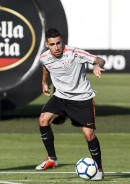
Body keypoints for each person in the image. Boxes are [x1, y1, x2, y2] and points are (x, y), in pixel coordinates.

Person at [35, 28, 105, 180]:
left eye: (59, 43)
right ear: (47, 45)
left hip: (82, 99)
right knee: (43, 120)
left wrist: (97, 66)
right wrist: (44, 82)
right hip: (61, 97)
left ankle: (99, 169)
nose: (57, 47)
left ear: (62, 42)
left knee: (88, 134)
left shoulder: (74, 53)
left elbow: (98, 59)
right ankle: (52, 159)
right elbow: (46, 67)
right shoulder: (44, 57)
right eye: (52, 44)